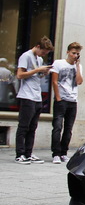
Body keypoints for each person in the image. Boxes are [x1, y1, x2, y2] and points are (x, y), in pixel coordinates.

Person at [15, 36, 54, 164]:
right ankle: (20, 154)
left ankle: (28, 153)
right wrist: (38, 69)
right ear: (37, 47)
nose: (43, 55)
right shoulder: (25, 56)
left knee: (33, 127)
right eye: (43, 52)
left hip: (37, 97)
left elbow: (35, 76)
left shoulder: (39, 58)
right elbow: (20, 75)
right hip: (26, 96)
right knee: (24, 126)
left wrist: (44, 73)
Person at [50, 42, 83, 164]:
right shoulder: (59, 63)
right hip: (61, 100)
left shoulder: (78, 66)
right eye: (73, 53)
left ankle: (64, 152)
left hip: (73, 101)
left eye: (77, 54)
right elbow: (54, 81)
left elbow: (79, 82)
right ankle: (56, 153)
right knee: (57, 127)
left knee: (68, 128)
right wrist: (58, 97)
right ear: (68, 52)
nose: (75, 56)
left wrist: (78, 66)